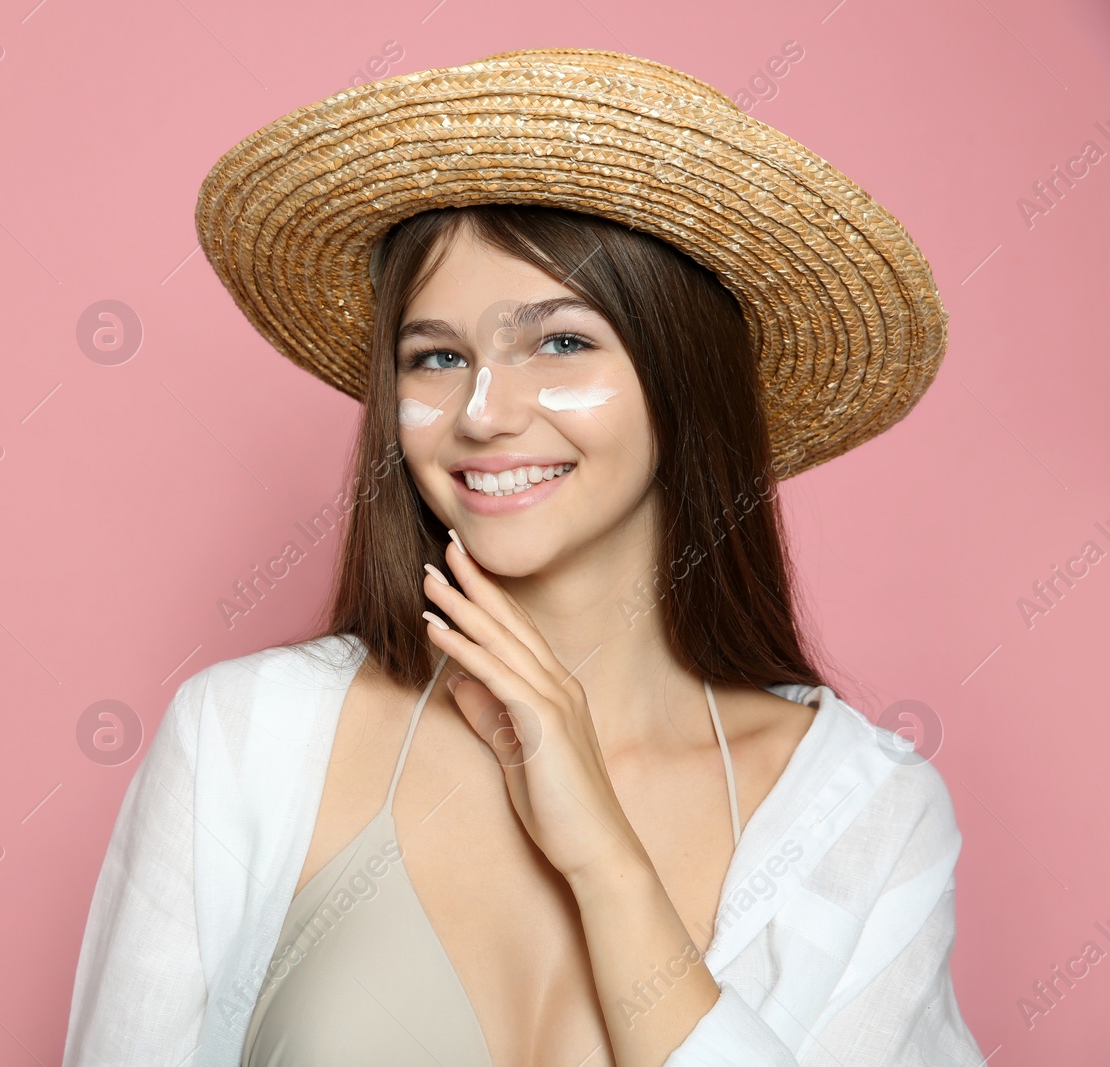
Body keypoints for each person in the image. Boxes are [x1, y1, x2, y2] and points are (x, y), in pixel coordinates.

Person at [63, 49, 985, 1066]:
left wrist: (600, 852)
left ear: (684, 376)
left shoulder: (866, 812)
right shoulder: (248, 738)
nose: (481, 414)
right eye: (437, 356)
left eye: (558, 343)